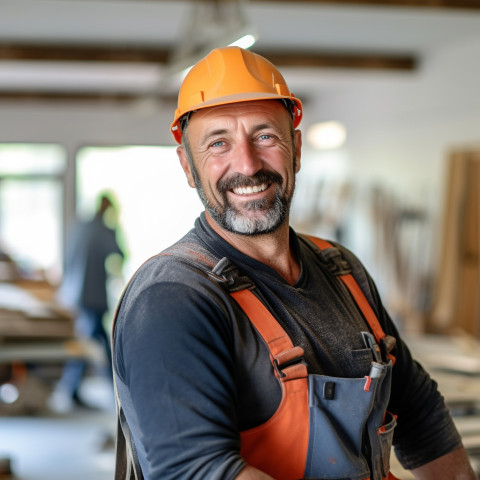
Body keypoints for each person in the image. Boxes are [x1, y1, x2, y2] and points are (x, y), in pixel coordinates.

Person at [112, 47, 476, 480]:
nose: (247, 164)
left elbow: (417, 410)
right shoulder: (173, 298)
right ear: (187, 167)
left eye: (265, 135)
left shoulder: (341, 269)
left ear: (297, 149)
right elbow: (196, 471)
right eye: (218, 143)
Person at [52, 192, 124, 411]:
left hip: (75, 295)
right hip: (91, 296)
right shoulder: (104, 229)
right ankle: (117, 393)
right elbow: (119, 254)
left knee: (86, 345)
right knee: (96, 346)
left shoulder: (80, 227)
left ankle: (72, 390)